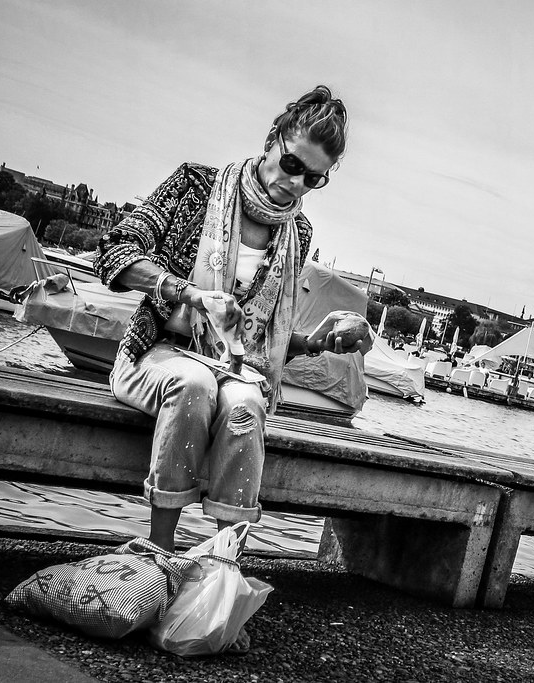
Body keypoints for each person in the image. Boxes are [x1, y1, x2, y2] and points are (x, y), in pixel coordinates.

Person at [94, 86, 365, 631]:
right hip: (158, 352)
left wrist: (318, 341)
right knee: (194, 383)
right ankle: (160, 554)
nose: (295, 183)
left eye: (313, 178)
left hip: (232, 369)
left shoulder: (298, 231)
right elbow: (115, 252)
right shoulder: (195, 185)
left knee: (246, 405)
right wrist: (185, 291)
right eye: (291, 164)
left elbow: (259, 337)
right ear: (273, 139)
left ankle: (219, 567)